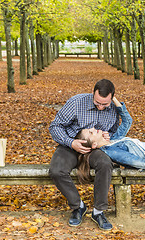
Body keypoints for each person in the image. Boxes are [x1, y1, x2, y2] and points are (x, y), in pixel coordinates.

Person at [49, 79, 120, 231]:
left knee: (105, 164)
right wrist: (70, 142)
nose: (100, 107)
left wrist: (109, 137)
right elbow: (55, 126)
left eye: (105, 104)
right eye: (97, 103)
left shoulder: (114, 109)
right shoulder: (76, 102)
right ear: (92, 94)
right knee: (56, 170)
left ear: (112, 97)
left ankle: (98, 211)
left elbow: (115, 131)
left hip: (95, 149)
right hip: (70, 145)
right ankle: (78, 207)